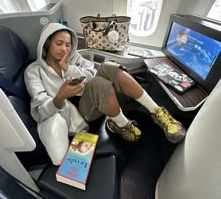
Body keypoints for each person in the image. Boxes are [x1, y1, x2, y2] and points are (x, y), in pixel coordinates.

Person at [24, 22, 186, 165]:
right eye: (59, 43)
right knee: (101, 83)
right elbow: (39, 113)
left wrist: (68, 68)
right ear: (46, 44)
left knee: (107, 67)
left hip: (90, 101)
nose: (64, 49)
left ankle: (157, 112)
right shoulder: (34, 71)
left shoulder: (73, 58)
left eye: (68, 45)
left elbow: (92, 74)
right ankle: (122, 124)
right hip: (74, 116)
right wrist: (61, 96)